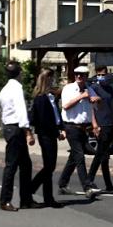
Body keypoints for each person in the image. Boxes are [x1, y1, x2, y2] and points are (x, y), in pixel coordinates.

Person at [57, 66, 99, 199]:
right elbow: (66, 106)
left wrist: (97, 100)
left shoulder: (89, 89)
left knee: (74, 157)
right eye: (77, 74)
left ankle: (62, 184)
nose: (79, 77)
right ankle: (87, 186)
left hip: (83, 128)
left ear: (86, 76)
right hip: (71, 127)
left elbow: (93, 108)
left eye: (82, 75)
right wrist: (82, 96)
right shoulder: (68, 88)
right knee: (80, 156)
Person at [0, 61, 34, 211]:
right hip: (16, 128)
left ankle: (26, 199)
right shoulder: (17, 88)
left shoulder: (4, 89)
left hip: (8, 128)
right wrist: (28, 131)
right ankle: (5, 200)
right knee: (12, 165)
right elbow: (21, 110)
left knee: (25, 165)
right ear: (20, 73)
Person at [27, 68, 64, 209]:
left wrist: (61, 128)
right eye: (51, 78)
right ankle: (30, 188)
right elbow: (43, 120)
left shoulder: (50, 96)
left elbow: (56, 115)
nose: (53, 80)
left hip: (51, 133)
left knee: (50, 167)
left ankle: (48, 198)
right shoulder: (41, 98)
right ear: (46, 79)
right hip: (46, 134)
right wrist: (56, 132)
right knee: (49, 166)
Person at [86, 64, 113, 192]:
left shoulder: (109, 89)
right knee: (100, 154)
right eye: (99, 75)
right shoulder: (94, 88)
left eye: (103, 74)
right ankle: (89, 180)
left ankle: (108, 185)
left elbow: (111, 106)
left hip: (110, 123)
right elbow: (91, 108)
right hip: (102, 124)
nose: (101, 77)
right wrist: (95, 125)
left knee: (105, 156)